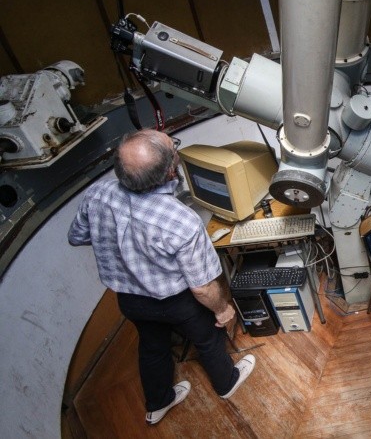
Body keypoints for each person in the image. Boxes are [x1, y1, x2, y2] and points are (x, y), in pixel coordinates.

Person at [68, 129, 256, 424]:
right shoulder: (181, 220)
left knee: (152, 345)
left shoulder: (97, 194)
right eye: (174, 147)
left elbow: (77, 237)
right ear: (171, 170)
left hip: (130, 300)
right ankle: (226, 383)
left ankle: (158, 403)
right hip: (176, 301)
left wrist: (122, 245)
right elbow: (202, 287)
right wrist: (223, 310)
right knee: (207, 338)